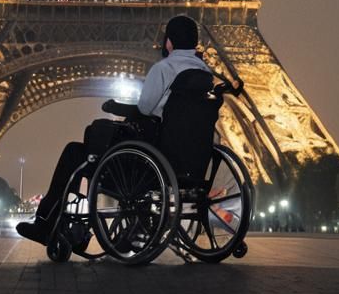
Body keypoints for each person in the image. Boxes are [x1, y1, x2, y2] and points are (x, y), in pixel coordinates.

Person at [15, 14, 206, 245]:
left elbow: (145, 108)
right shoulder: (204, 73)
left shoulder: (164, 68)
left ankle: (47, 223)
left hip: (147, 158)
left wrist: (116, 106)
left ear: (169, 42)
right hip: (188, 159)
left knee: (74, 153)